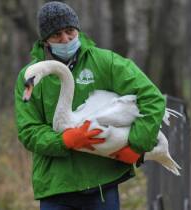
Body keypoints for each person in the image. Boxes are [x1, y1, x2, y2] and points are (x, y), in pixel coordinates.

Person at [14, 2, 166, 210]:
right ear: (45, 41)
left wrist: (135, 145)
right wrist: (64, 140)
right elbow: (28, 130)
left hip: (101, 185)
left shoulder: (106, 62)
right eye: (57, 35)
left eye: (69, 31)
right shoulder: (29, 77)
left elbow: (152, 98)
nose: (65, 39)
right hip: (56, 186)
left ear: (77, 30)